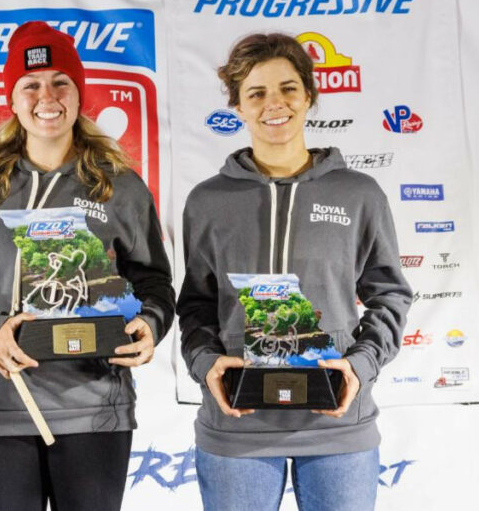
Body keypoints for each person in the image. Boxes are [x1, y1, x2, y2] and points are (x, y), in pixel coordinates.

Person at [0, 21, 175, 511]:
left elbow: (154, 281)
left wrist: (148, 325)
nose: (48, 96)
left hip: (92, 405)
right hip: (2, 403)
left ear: (80, 94)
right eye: (31, 85)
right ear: (14, 100)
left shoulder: (118, 185)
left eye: (61, 81)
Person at [177, 33, 412, 511]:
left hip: (336, 420)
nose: (274, 105)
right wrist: (207, 365)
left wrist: (358, 367)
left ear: (308, 95)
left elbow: (390, 295)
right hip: (237, 422)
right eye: (256, 94)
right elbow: (197, 305)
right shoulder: (208, 201)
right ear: (237, 107)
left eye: (287, 89)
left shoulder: (359, 194)